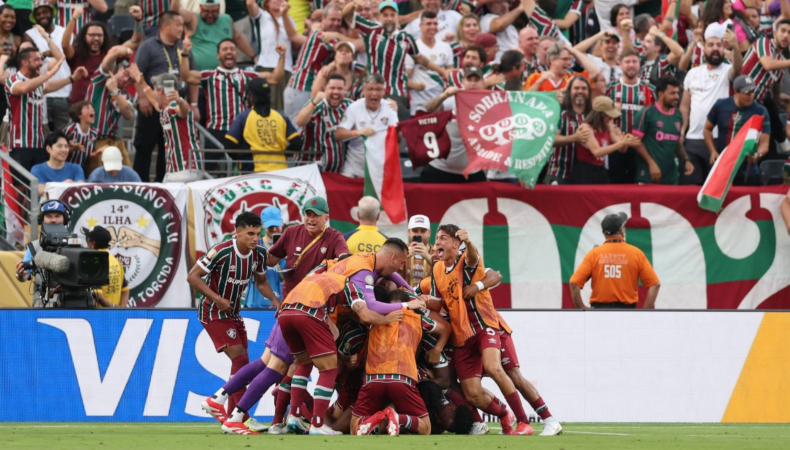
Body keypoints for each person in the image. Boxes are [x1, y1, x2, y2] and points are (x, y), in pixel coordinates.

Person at [278, 243, 419, 436]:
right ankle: (317, 425)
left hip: (287, 308)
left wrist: (409, 288)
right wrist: (393, 314)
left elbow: (389, 270)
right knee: (329, 369)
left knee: (303, 362)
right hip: (312, 311)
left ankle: (292, 415)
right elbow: (368, 314)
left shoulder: (336, 267)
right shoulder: (353, 283)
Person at [427, 224, 532, 435]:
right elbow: (435, 303)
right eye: (436, 239)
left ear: (456, 244)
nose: (437, 242)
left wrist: (470, 245)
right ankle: (501, 416)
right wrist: (411, 300)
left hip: (481, 326)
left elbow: (493, 273)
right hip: (458, 336)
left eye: (443, 238)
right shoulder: (434, 273)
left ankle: (524, 421)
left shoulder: (465, 259)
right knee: (466, 389)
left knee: (497, 369)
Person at [187, 211, 279, 430]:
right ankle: (239, 416)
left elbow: (261, 282)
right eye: (250, 233)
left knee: (243, 362)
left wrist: (275, 299)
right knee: (239, 358)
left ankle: (232, 416)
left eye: (258, 233)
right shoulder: (221, 250)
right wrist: (217, 299)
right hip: (213, 311)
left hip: (234, 312)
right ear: (237, 232)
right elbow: (192, 276)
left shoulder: (258, 254)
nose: (255, 238)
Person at [351, 289, 447, 436]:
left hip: (374, 378)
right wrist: (437, 349)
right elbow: (442, 328)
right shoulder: (418, 319)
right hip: (402, 378)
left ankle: (370, 422)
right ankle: (398, 418)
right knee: (425, 428)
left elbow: (356, 315)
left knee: (354, 428)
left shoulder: (375, 317)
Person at [180, 39, 286, 171]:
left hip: (241, 130)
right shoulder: (209, 75)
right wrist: (184, 54)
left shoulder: (248, 75)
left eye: (232, 49)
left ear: (236, 54)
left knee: (245, 168)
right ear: (218, 55)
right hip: (216, 130)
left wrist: (282, 57)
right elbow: (186, 76)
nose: (229, 51)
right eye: (224, 49)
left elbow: (275, 78)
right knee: (206, 169)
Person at [344, 0, 445, 122]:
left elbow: (419, 58)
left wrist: (443, 72)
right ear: (379, 17)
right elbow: (346, 15)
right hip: (374, 90)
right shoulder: (371, 29)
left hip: (397, 92)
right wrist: (353, 4)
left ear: (397, 17)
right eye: (385, 15)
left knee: (397, 131)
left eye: (392, 15)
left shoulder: (406, 38)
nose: (389, 19)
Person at [133, 10, 198, 182]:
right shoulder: (148, 46)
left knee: (167, 147)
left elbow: (192, 76)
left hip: (176, 105)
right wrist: (143, 97)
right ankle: (141, 185)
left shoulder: (183, 49)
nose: (181, 29)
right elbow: (138, 73)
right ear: (166, 26)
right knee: (144, 146)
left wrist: (194, 103)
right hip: (153, 104)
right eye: (178, 25)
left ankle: (163, 186)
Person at [680, 23, 742, 185]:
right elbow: (685, 106)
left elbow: (738, 70)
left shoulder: (726, 70)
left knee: (715, 188)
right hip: (692, 139)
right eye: (711, 45)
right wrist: (681, 130)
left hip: (717, 139)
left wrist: (736, 48)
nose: (715, 48)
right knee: (690, 189)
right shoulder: (692, 73)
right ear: (704, 47)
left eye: (719, 45)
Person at [6, 47, 81, 172]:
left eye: (41, 59)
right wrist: (49, 74)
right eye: (36, 60)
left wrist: (71, 78)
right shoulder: (13, 80)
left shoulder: (38, 83)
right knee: (21, 187)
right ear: (24, 62)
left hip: (40, 144)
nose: (41, 63)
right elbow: (23, 89)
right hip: (20, 144)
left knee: (39, 185)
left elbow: (49, 86)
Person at [570, 212, 660, 309]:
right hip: (627, 313)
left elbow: (574, 284)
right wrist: (644, 312)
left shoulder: (594, 254)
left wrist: (582, 308)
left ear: (603, 233)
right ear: (622, 231)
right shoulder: (636, 254)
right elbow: (655, 284)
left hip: (599, 314)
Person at [420, 66, 487, 183]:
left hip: (472, 171)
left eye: (476, 80)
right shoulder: (453, 100)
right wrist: (444, 95)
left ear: (482, 83)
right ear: (463, 82)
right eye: (469, 80)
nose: (472, 84)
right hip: (440, 168)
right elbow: (428, 109)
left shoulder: (489, 104)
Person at [281, 2, 345, 123]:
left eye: (339, 20)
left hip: (299, 89)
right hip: (301, 89)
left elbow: (294, 35)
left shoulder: (317, 33)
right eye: (332, 19)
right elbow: (347, 49)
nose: (336, 23)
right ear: (323, 19)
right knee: (298, 133)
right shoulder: (319, 35)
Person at [704, 75, 771, 186]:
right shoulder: (721, 105)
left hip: (748, 170)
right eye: (747, 93)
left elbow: (765, 143)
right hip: (723, 166)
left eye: (753, 91)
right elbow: (707, 129)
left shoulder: (760, 111)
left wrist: (757, 155)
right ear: (736, 92)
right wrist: (712, 151)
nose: (751, 96)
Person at [225, 77, 301, 173]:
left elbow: (229, 144)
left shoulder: (244, 117)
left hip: (254, 173)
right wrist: (283, 153)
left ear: (251, 97)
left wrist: (242, 158)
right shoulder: (280, 117)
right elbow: (297, 143)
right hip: (281, 172)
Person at [138, 72, 204, 180]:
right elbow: (153, 100)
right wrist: (141, 83)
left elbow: (183, 111)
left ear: (160, 91)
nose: (152, 92)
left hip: (185, 169)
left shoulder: (174, 106)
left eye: (154, 90)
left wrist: (180, 100)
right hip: (174, 169)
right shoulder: (164, 109)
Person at [83, 46, 137, 175]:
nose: (125, 79)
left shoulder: (125, 95)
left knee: (128, 176)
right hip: (95, 140)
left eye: (130, 80)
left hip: (115, 142)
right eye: (126, 74)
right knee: (97, 179)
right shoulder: (100, 78)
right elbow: (111, 55)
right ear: (121, 68)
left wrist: (115, 91)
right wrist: (126, 51)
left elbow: (129, 115)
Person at [605, 47, 655, 183]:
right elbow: (602, 117)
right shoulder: (611, 88)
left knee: (639, 186)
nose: (631, 65)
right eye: (627, 62)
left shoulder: (650, 89)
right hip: (617, 147)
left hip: (642, 147)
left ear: (640, 64)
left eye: (634, 61)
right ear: (619, 64)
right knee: (616, 185)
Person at [334, 74, 399, 179]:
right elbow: (338, 134)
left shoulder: (390, 107)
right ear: (363, 90)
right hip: (354, 170)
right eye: (370, 89)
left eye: (378, 89)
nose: (374, 93)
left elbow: (397, 138)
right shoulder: (354, 107)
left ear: (384, 91)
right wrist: (359, 132)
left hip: (379, 171)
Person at [741, 18, 790, 155]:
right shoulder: (764, 43)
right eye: (783, 31)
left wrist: (782, 98)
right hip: (741, 102)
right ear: (775, 33)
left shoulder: (781, 63)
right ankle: (782, 140)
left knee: (769, 149)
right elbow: (768, 64)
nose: (786, 35)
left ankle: (781, 141)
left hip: (757, 105)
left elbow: (775, 94)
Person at [633, 76, 693, 185]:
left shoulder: (678, 115)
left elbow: (677, 142)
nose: (676, 97)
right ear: (660, 94)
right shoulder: (647, 113)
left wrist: (686, 160)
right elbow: (636, 142)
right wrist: (651, 164)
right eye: (672, 93)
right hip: (648, 175)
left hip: (670, 177)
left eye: (677, 93)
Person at [25, 0, 72, 131]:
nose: (41, 16)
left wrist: (45, 37)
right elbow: (26, 59)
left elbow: (64, 58)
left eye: (44, 12)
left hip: (63, 92)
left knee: (64, 134)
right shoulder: (29, 34)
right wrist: (44, 55)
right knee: (40, 135)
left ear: (52, 12)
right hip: (40, 93)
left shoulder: (64, 32)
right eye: (38, 14)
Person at [571, 96, 639, 184]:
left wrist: (624, 141)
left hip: (601, 170)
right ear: (600, 115)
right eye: (609, 116)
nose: (611, 118)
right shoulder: (586, 128)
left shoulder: (607, 126)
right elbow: (597, 152)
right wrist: (622, 143)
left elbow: (622, 150)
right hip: (585, 171)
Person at [173, 0, 256, 71]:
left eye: (214, 12)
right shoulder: (193, 18)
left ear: (219, 8)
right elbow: (175, 12)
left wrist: (254, 57)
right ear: (200, 7)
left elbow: (237, 38)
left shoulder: (226, 19)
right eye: (206, 11)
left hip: (223, 74)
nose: (210, 15)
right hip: (199, 74)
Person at [15, 199, 70, 307]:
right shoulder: (34, 247)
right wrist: (19, 274)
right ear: (42, 220)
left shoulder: (76, 243)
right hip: (42, 304)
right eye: (49, 216)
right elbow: (24, 277)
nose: (53, 220)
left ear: (65, 219)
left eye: (57, 216)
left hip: (71, 303)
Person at [295, 73, 353, 172]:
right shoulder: (316, 104)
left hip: (337, 170)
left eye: (339, 89)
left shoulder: (349, 106)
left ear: (345, 90)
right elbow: (299, 122)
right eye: (332, 88)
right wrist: (314, 103)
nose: (336, 92)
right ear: (325, 89)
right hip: (310, 167)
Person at [246, 0, 293, 110]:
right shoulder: (261, 16)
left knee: (282, 110)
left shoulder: (289, 19)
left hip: (286, 69)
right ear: (266, 2)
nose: (279, 1)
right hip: (266, 67)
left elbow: (293, 39)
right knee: (265, 107)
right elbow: (249, 3)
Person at [406, 11, 454, 116]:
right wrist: (415, 86)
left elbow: (450, 75)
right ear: (420, 26)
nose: (432, 27)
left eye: (435, 24)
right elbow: (405, 79)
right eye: (428, 24)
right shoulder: (414, 47)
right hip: (419, 106)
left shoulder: (445, 47)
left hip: (441, 105)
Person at [547, 75, 592, 185]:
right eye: (576, 88)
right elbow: (551, 141)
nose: (580, 91)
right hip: (559, 173)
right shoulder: (559, 113)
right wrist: (574, 138)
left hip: (586, 175)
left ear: (589, 92)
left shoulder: (593, 115)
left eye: (584, 88)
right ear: (569, 91)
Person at [62, 9, 111, 104]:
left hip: (101, 106)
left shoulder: (109, 54)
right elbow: (65, 45)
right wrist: (73, 19)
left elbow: (134, 41)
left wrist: (138, 20)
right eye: (92, 35)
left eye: (99, 35)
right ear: (84, 37)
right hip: (78, 107)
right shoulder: (76, 54)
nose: (96, 38)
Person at [525, 41, 601, 92]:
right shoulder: (536, 77)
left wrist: (573, 51)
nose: (568, 63)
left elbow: (595, 72)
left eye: (569, 59)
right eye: (565, 59)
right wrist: (539, 82)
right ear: (553, 60)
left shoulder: (573, 79)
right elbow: (525, 98)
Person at [83, 225, 129, 308]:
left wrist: (113, 308)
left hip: (99, 315)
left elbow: (98, 296)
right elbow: (125, 289)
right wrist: (122, 309)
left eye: (88, 240)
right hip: (115, 316)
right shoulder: (115, 261)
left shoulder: (92, 263)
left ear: (93, 243)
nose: (87, 243)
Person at [31, 130, 85, 195]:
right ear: (48, 149)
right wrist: (63, 185)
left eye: (66, 146)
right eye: (59, 146)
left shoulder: (76, 168)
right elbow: (40, 190)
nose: (64, 150)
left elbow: (81, 187)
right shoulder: (37, 169)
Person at [398, 214, 433, 288]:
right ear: (408, 232)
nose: (419, 234)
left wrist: (428, 257)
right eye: (415, 231)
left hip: (427, 297)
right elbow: (388, 272)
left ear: (429, 233)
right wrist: (404, 256)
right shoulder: (399, 249)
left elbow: (445, 272)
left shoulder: (436, 252)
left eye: (423, 231)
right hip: (404, 296)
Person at [62, 100, 98, 167]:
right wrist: (73, 148)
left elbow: (85, 154)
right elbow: (59, 150)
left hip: (80, 169)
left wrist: (97, 152)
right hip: (64, 167)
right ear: (79, 115)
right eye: (87, 108)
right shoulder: (70, 130)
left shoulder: (93, 133)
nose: (92, 109)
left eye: (92, 107)